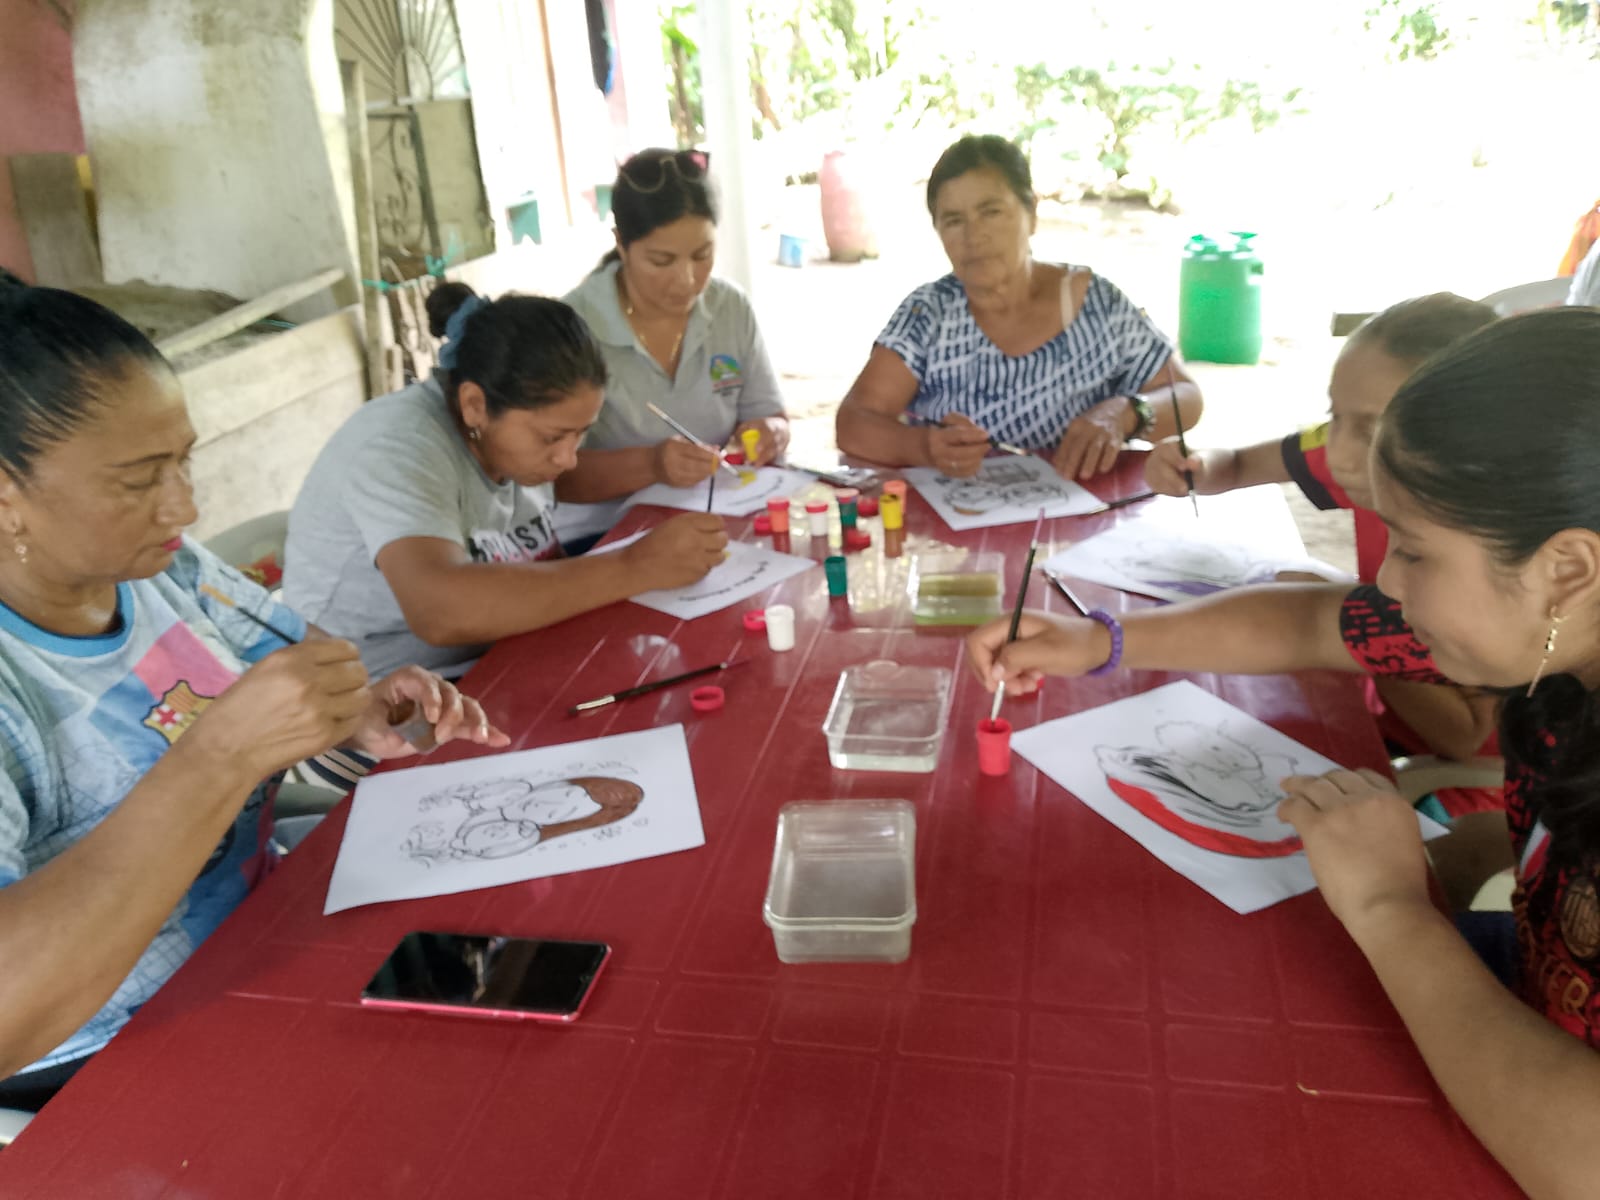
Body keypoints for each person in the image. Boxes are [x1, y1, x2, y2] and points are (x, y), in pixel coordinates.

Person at [967, 308, 1600, 1198]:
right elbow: (1315, 622)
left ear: (1567, 568)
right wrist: (1099, 641)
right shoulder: (1556, 637)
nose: (1386, 579)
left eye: (1415, 552)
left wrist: (1391, 905)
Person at [0, 283, 507, 1109]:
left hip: (263, 936)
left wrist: (356, 708)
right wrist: (220, 756)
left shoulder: (163, 568)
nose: (185, 505)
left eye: (183, 461)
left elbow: (299, 667)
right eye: (139, 481)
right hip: (114, 1055)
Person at [1145, 293, 1503, 815]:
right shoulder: (1369, 458)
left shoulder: (1501, 550)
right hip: (1376, 713)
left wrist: (1355, 623)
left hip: (1459, 788)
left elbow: (1463, 738)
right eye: (1336, 416)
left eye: (1371, 429)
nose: (1337, 454)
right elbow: (1238, 464)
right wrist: (1196, 467)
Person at [283, 288, 729, 680]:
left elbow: (565, 478)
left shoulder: (507, 439)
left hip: (508, 653)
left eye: (581, 433)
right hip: (385, 697)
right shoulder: (397, 449)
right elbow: (440, 610)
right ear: (474, 405)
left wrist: (655, 463)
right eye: (552, 438)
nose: (568, 458)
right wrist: (636, 565)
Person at [835, 134, 1203, 482]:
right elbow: (853, 423)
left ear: (1031, 213)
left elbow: (1186, 396)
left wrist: (1127, 413)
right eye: (954, 220)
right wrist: (923, 447)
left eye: (991, 212)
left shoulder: (1096, 305)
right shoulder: (929, 313)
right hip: (961, 520)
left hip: (1084, 516)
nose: (974, 235)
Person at [557, 148, 789, 542]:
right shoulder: (572, 327)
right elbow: (552, 476)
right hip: (605, 537)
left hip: (721, 519)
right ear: (621, 243)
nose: (686, 280)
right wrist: (651, 465)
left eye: (702, 255)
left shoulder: (729, 307)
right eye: (661, 261)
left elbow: (769, 414)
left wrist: (771, 432)